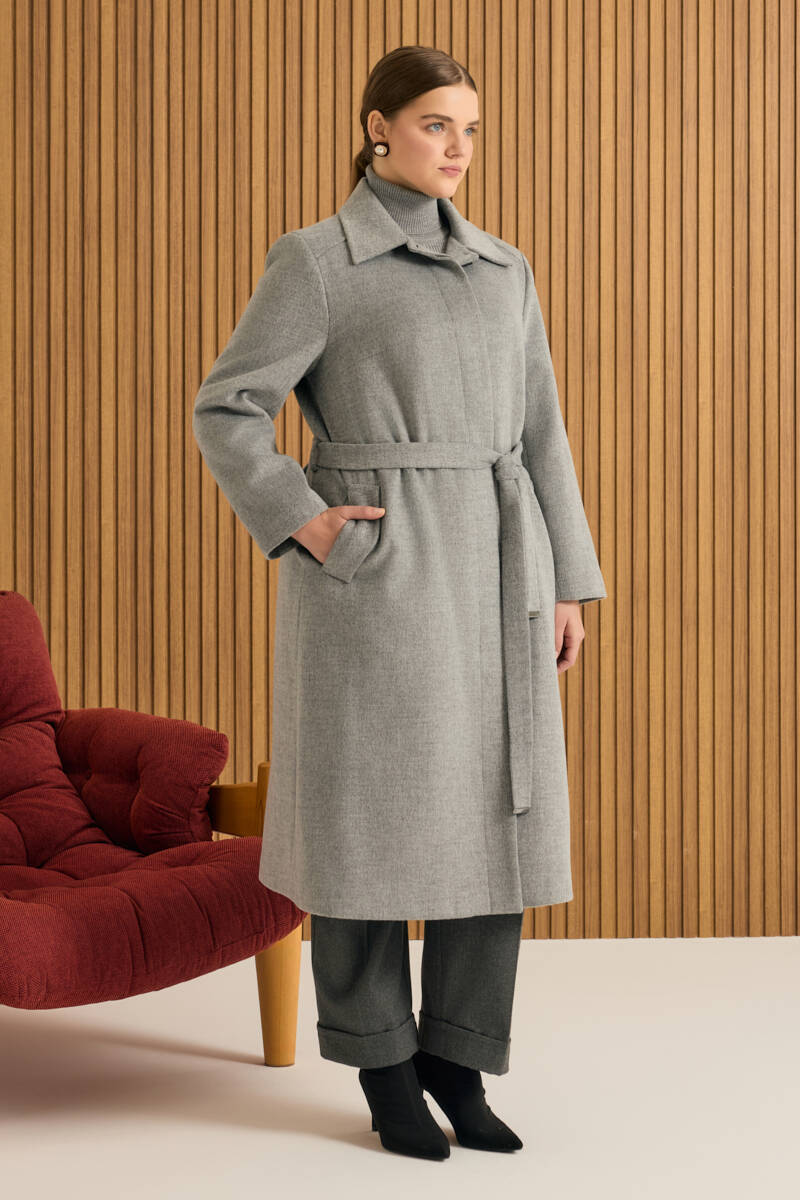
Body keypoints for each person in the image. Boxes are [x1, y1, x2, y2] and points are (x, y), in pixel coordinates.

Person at [192, 45, 607, 1161]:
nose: (457, 147)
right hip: (378, 577)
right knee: (366, 822)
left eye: (469, 128)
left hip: (501, 570)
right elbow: (228, 407)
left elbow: (541, 434)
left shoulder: (504, 269)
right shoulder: (318, 260)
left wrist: (569, 580)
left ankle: (458, 1061)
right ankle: (382, 1066)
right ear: (377, 127)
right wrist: (306, 519)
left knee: (497, 812)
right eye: (434, 124)